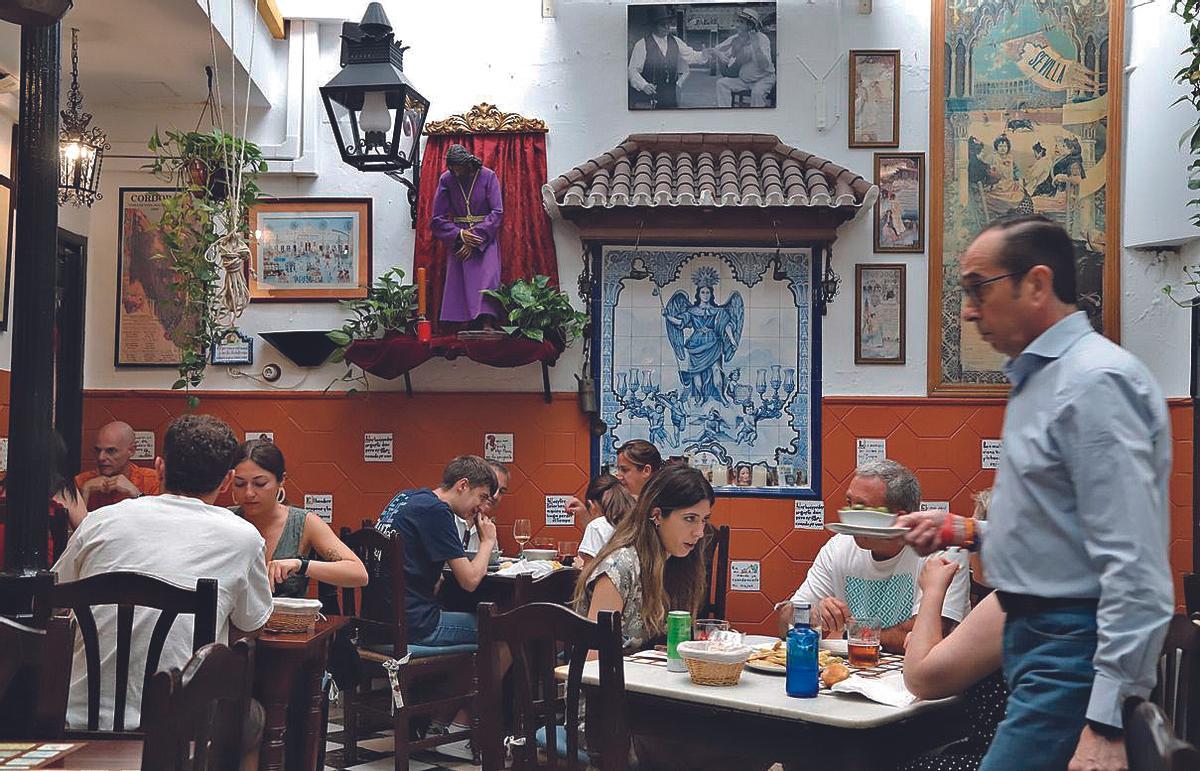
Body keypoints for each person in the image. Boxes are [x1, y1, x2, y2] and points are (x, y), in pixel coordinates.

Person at [897, 215, 1173, 771]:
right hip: (1037, 647)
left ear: (1037, 285)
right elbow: (1064, 534)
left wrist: (1106, 724)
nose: (969, 310)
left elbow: (1135, 568)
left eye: (979, 287)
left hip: (1071, 654)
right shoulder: (1041, 379)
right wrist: (965, 531)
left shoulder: (1094, 383)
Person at [53, 414, 273, 731]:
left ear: (159, 468)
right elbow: (250, 626)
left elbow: (57, 597)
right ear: (227, 481)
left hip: (76, 720)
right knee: (253, 719)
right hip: (179, 728)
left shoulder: (99, 521)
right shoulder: (243, 538)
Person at [575, 465, 766, 771]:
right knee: (729, 754)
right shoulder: (619, 569)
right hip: (611, 717)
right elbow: (594, 668)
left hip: (660, 704)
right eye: (689, 519)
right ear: (656, 515)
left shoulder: (679, 566)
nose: (699, 532)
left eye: (704, 521)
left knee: (752, 739)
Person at [374, 455, 500, 760]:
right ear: (463, 485)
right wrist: (487, 543)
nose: (482, 507)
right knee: (502, 630)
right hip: (414, 624)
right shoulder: (437, 512)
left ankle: (436, 721)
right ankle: (453, 729)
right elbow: (470, 581)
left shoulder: (405, 498)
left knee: (476, 633)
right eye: (482, 497)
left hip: (377, 621)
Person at [777, 460, 969, 652]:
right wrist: (810, 616)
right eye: (849, 503)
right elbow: (784, 623)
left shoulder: (941, 550)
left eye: (861, 508)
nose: (849, 516)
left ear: (899, 517)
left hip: (920, 677)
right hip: (852, 675)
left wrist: (848, 632)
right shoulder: (838, 547)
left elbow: (925, 636)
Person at [898, 557, 1007, 771]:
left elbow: (921, 679)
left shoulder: (1010, 601)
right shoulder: (1062, 592)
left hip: (1008, 758)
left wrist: (932, 590)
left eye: (973, 539)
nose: (970, 553)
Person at [229, 440, 368, 597]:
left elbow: (359, 574)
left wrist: (301, 565)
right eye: (240, 484)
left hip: (287, 621)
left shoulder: (304, 523)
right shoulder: (225, 520)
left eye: (260, 484)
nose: (249, 493)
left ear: (281, 480)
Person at [430, 145, 504, 328]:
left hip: (485, 238)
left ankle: (487, 321)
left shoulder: (488, 176)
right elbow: (437, 218)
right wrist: (460, 235)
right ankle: (465, 322)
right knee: (461, 280)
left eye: (458, 169)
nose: (455, 174)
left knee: (489, 278)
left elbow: (497, 212)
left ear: (468, 165)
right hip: (459, 238)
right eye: (452, 170)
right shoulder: (446, 180)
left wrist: (475, 238)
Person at [627, 8, 711, 109]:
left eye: (669, 24)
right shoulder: (642, 44)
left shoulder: (675, 41)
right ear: (654, 26)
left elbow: (691, 55)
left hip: (670, 95)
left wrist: (703, 54)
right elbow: (633, 70)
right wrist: (644, 85)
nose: (667, 27)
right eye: (663, 24)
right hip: (650, 95)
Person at [74, 421, 160, 513]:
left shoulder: (153, 480)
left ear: (131, 450)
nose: (101, 457)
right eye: (98, 450)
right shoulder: (81, 482)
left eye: (111, 451)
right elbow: (73, 527)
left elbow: (160, 522)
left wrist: (136, 493)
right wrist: (85, 492)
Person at [712, 8, 776, 108]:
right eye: (737, 21)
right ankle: (725, 117)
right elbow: (715, 49)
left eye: (741, 22)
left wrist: (755, 46)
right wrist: (719, 54)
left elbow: (764, 65)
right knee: (721, 83)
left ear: (750, 26)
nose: (737, 25)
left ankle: (756, 121)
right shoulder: (736, 37)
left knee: (757, 93)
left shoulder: (762, 39)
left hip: (763, 79)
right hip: (744, 80)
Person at [573, 475, 637, 567]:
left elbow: (589, 578)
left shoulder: (596, 527)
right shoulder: (637, 521)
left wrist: (580, 568)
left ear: (591, 505)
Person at [457, 460, 509, 552]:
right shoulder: (448, 517)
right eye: (491, 487)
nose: (495, 495)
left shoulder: (488, 526)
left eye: (501, 491)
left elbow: (492, 563)